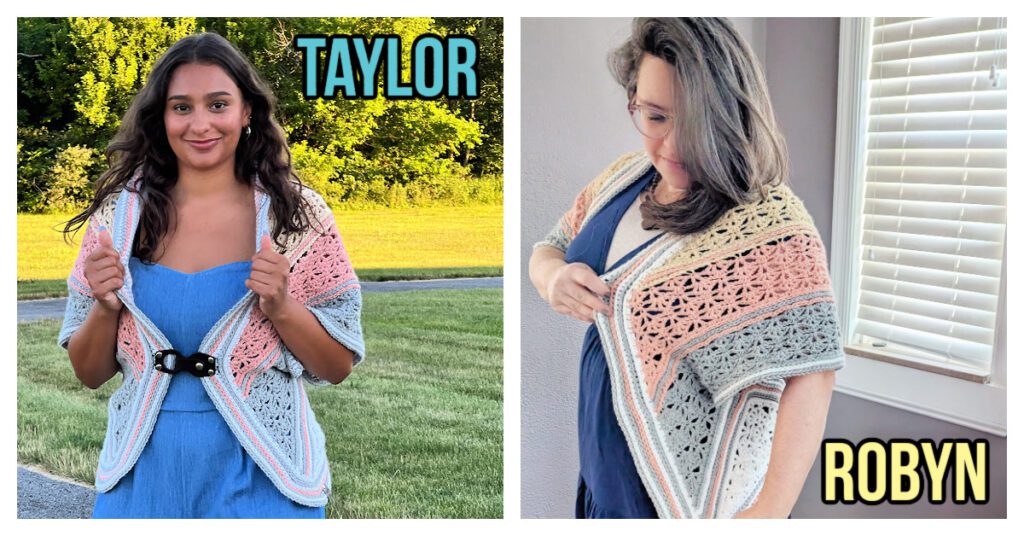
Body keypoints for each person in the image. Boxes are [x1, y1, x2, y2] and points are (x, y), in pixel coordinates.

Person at [529, 18, 844, 519]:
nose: (671, 146)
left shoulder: (768, 221)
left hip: (671, 503)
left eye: (694, 121)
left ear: (730, 112)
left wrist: (769, 512)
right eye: (655, 117)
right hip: (598, 486)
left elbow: (815, 368)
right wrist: (551, 278)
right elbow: (551, 245)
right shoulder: (624, 179)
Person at [58, 32, 365, 518]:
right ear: (161, 116)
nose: (199, 123)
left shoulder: (297, 217)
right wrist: (104, 306)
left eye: (217, 104)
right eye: (181, 107)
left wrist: (283, 306)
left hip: (266, 478)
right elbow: (88, 373)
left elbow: (337, 366)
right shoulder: (118, 221)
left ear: (247, 112)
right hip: (140, 479)